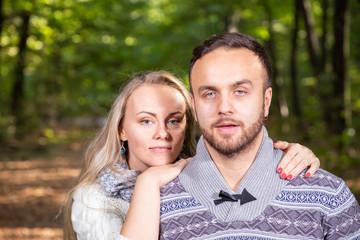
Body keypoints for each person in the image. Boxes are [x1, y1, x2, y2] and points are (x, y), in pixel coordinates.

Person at [63, 71, 320, 240]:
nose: (162, 133)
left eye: (174, 121)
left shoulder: (202, 173)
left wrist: (293, 155)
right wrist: (149, 182)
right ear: (121, 129)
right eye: (146, 121)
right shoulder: (95, 200)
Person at [158, 32, 360, 239]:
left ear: (266, 101)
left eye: (240, 91)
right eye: (209, 94)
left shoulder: (328, 194)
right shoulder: (154, 202)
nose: (224, 108)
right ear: (194, 106)